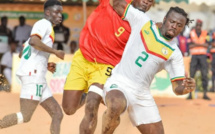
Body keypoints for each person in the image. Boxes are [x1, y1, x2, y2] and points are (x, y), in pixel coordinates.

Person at [62, 0, 154, 133]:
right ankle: (89, 92)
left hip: (106, 66)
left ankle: (97, 95)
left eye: (151, 1)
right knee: (69, 109)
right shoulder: (113, 2)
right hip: (83, 57)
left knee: (91, 105)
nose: (147, 2)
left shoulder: (143, 26)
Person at [102, 4, 195, 134]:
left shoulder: (174, 53)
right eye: (172, 21)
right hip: (120, 82)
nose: (174, 26)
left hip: (142, 95)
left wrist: (187, 87)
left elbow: (177, 88)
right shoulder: (143, 22)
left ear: (182, 29)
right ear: (164, 19)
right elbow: (117, 4)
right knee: (116, 105)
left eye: (179, 25)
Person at [0, 1, 65, 134]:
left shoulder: (44, 27)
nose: (60, 15)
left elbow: (22, 52)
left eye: (61, 12)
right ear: (47, 12)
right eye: (57, 12)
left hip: (37, 75)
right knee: (25, 116)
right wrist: (55, 52)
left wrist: (44, 65)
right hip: (33, 76)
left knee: (57, 114)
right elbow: (33, 41)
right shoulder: (43, 24)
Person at [187, 19, 210, 100]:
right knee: (191, 75)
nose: (198, 27)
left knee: (204, 75)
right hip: (194, 57)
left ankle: (205, 94)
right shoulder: (191, 33)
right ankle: (190, 94)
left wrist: (195, 44)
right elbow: (190, 46)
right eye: (197, 25)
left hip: (203, 57)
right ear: (196, 25)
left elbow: (207, 45)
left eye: (200, 25)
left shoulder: (205, 33)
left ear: (201, 26)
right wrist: (201, 44)